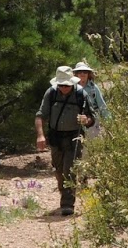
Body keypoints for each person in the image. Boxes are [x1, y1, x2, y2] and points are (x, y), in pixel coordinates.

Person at [36, 65, 94, 215]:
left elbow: (91, 118)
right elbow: (40, 115)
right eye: (61, 85)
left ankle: (67, 204)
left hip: (74, 137)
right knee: (59, 170)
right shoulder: (51, 93)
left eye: (66, 85)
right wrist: (40, 135)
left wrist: (86, 120)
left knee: (70, 170)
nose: (64, 88)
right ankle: (64, 192)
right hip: (56, 137)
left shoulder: (81, 94)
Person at [72, 60, 109, 138]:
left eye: (85, 72)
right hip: (75, 120)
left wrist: (108, 121)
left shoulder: (94, 88)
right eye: (80, 72)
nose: (82, 74)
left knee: (92, 143)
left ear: (88, 74)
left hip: (93, 120)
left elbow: (102, 105)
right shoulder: (72, 88)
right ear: (76, 74)